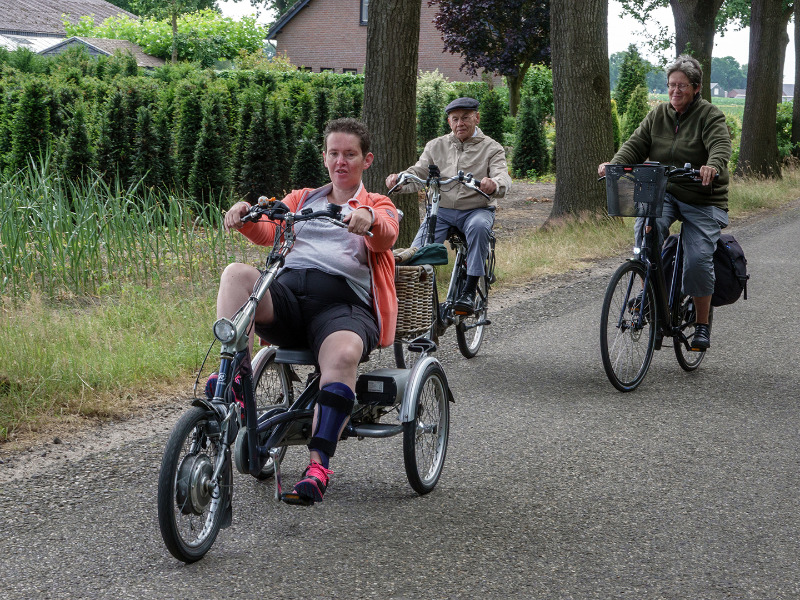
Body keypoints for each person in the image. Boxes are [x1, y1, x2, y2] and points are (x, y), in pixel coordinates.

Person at [216, 117, 399, 505]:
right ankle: (233, 378)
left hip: (343, 307)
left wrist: (366, 221)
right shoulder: (303, 198)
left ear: (366, 161)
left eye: (350, 154)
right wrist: (244, 214)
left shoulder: (377, 203)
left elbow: (386, 232)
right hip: (287, 301)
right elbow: (268, 228)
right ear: (325, 157)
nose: (341, 161)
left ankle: (317, 467)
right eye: (334, 153)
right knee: (236, 274)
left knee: (345, 354)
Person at [598, 54, 732, 349]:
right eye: (671, 85)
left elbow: (720, 146)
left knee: (697, 259)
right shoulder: (658, 115)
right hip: (666, 192)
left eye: (682, 86)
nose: (675, 91)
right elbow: (636, 144)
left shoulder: (710, 115)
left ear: (696, 88)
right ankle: (649, 294)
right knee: (647, 227)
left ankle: (701, 324)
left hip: (702, 197)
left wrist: (712, 166)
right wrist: (615, 165)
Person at [385, 97, 511, 313]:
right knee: (418, 252)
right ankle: (418, 305)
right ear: (449, 122)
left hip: (476, 209)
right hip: (441, 211)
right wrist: (400, 181)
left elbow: (502, 176)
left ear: (476, 118)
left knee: (479, 228)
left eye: (465, 118)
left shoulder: (492, 148)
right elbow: (418, 172)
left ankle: (469, 291)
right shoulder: (436, 146)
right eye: (455, 119)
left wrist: (494, 184)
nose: (460, 123)